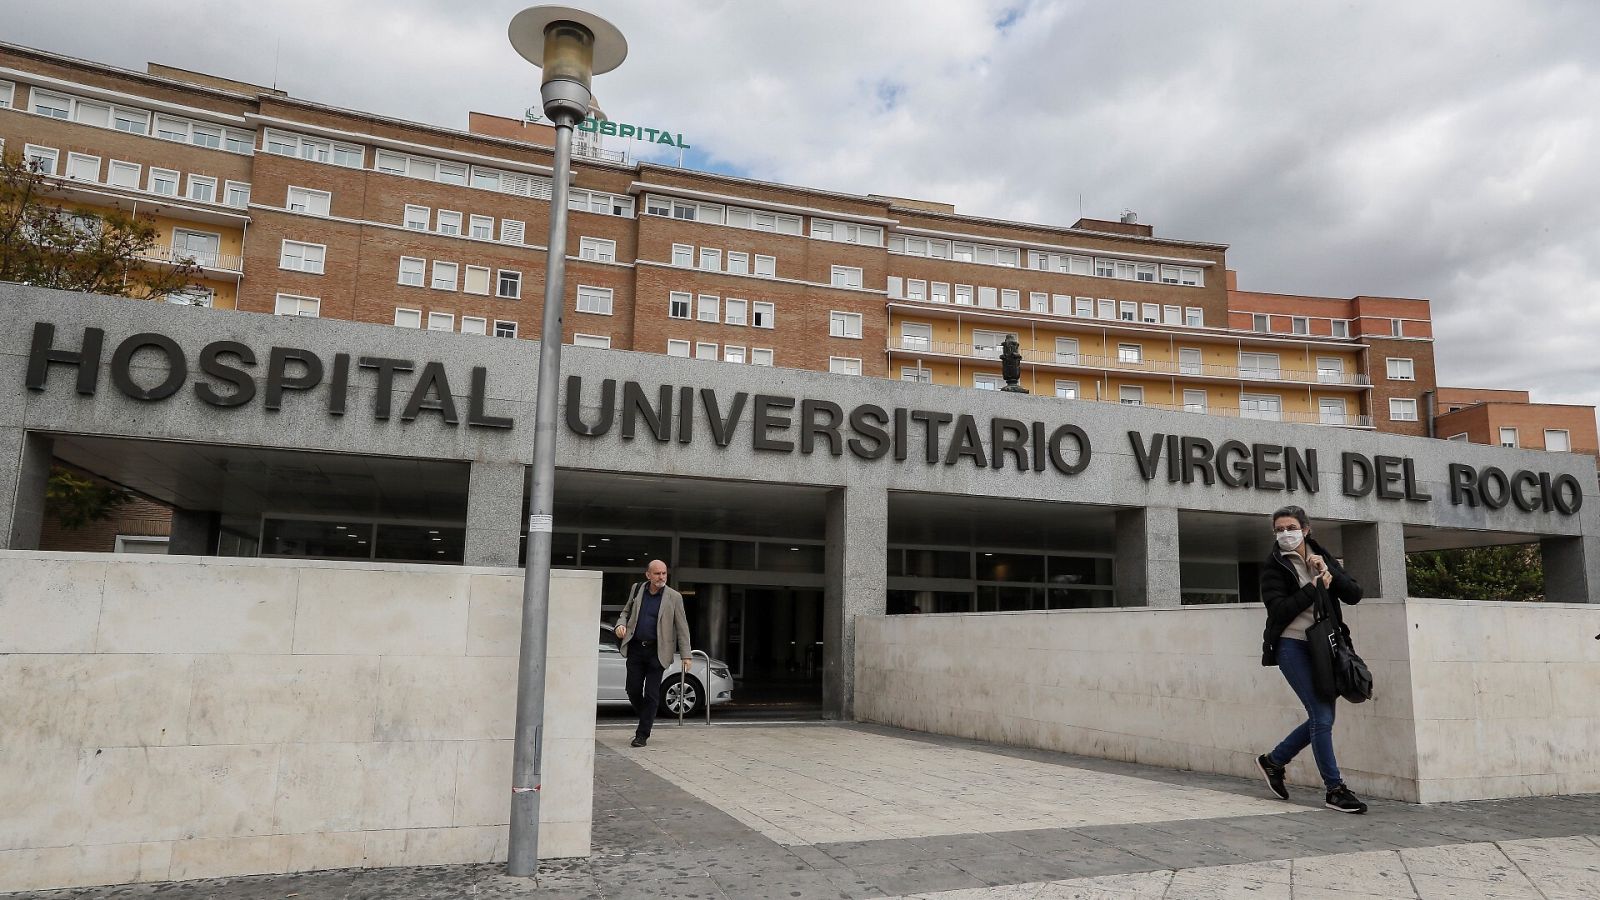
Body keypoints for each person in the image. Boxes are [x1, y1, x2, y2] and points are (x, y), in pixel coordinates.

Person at [1255, 505, 1368, 814]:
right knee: (1321, 716)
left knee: (1323, 718)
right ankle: (1334, 789)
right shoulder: (1273, 567)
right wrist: (1313, 587)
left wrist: (1329, 574)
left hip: (1325, 646)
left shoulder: (1321, 555)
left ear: (1305, 529)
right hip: (1292, 646)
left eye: (1290, 527)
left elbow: (1355, 594)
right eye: (1278, 530)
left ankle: (1273, 761)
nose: (1284, 534)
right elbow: (1278, 610)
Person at [614, 560, 692, 748]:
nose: (661, 577)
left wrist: (686, 655)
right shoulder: (637, 589)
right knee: (632, 689)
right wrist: (620, 624)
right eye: (657, 574)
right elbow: (625, 612)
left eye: (664, 573)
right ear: (648, 575)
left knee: (651, 694)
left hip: (657, 651)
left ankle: (642, 734)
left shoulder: (674, 597)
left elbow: (682, 627)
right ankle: (647, 716)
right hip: (635, 649)